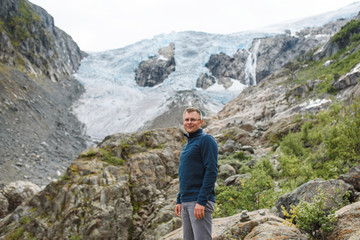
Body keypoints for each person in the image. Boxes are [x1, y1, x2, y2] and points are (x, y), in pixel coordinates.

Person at [175, 107, 218, 240]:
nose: (189, 122)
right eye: (187, 120)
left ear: (200, 122)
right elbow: (186, 174)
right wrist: (179, 199)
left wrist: (202, 201)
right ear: (183, 122)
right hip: (186, 201)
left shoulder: (206, 140)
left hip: (198, 201)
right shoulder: (188, 144)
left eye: (193, 119)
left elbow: (211, 171)